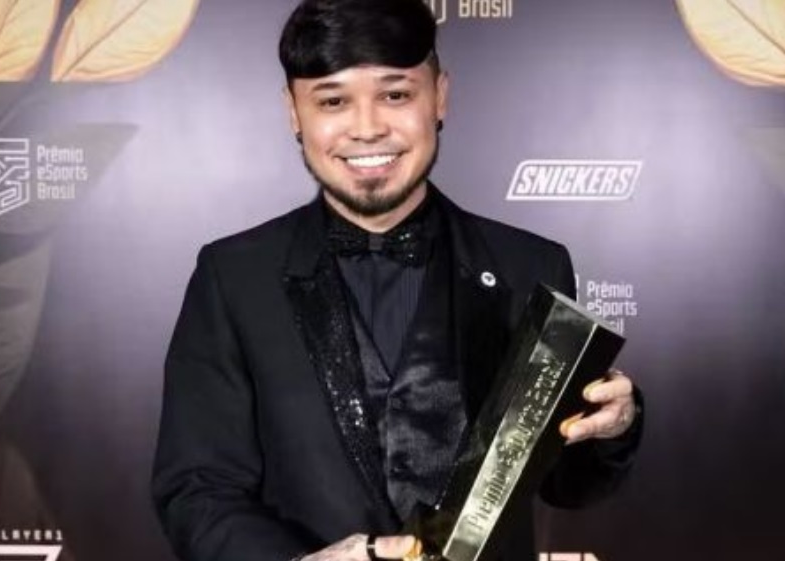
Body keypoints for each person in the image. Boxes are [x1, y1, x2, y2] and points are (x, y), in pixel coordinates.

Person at [152, 0, 642, 560]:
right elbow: (197, 491)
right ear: (293, 112)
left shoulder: (531, 266)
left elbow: (565, 486)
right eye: (333, 101)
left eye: (395, 95)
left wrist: (613, 429)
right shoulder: (233, 277)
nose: (367, 129)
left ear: (440, 97)